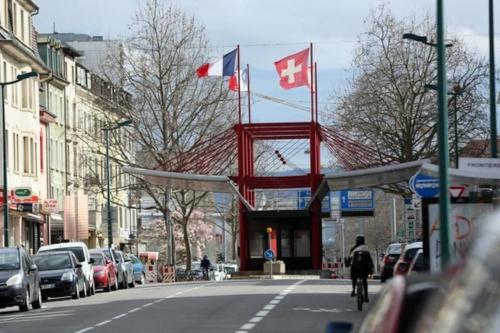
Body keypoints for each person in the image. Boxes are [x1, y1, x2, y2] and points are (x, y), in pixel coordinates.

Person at [346, 235, 374, 302]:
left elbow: (349, 259)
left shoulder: (353, 249)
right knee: (364, 281)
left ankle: (353, 290)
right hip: (364, 268)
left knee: (354, 277)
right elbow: (370, 260)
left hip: (355, 268)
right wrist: (371, 268)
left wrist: (347, 264)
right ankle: (366, 296)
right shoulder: (366, 248)